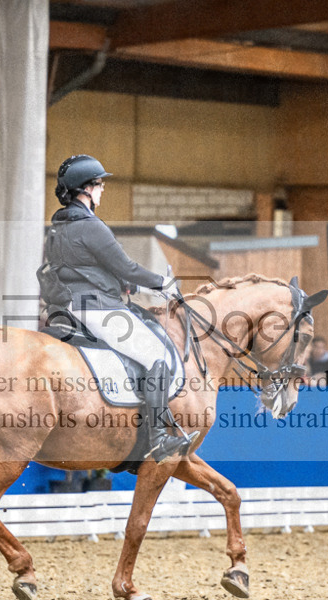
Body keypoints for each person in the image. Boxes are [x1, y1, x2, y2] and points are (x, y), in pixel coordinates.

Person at [44, 154, 191, 463]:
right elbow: (126, 266)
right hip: (96, 309)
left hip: (69, 307)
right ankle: (159, 438)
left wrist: (131, 288)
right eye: (99, 184)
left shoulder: (58, 227)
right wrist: (162, 284)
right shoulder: (90, 226)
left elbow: (86, 272)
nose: (102, 189)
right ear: (84, 189)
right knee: (157, 355)